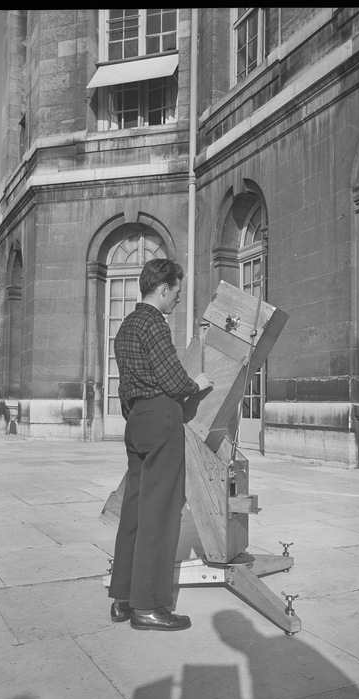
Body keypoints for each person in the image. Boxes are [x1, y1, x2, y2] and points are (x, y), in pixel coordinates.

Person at [108, 258, 213, 631]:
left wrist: (138, 414)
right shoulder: (155, 324)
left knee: (135, 511)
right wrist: (196, 383)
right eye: (177, 294)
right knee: (161, 514)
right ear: (163, 288)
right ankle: (148, 606)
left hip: (136, 420)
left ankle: (122, 598)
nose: (178, 301)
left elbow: (123, 388)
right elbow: (173, 379)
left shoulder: (125, 326)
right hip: (161, 417)